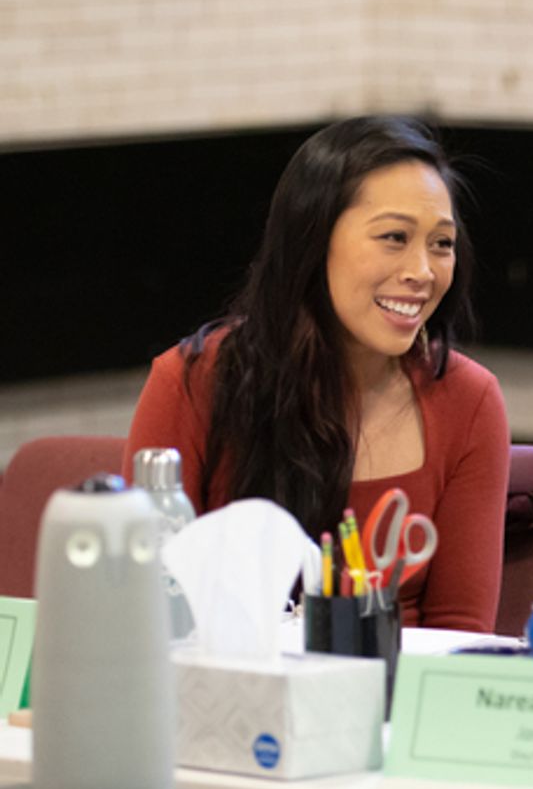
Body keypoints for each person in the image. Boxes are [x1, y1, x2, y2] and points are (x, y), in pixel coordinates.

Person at [123, 115, 509, 633]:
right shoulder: (191, 382)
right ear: (312, 239)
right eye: (394, 237)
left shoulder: (470, 401)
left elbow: (460, 636)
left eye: (442, 243)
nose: (423, 270)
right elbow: (140, 615)